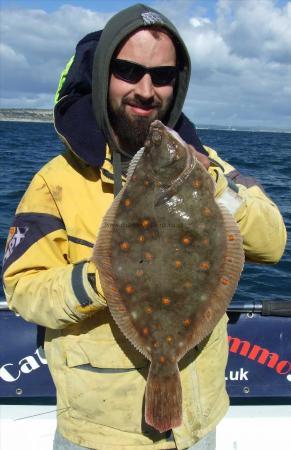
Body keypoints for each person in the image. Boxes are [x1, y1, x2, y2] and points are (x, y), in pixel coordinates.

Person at [2, 4, 286, 450]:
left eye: (163, 75)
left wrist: (211, 183)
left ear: (179, 83)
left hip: (198, 424)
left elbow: (272, 245)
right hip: (99, 433)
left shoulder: (205, 164)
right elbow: (22, 289)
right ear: (102, 76)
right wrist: (105, 277)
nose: (146, 89)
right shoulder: (56, 182)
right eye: (128, 70)